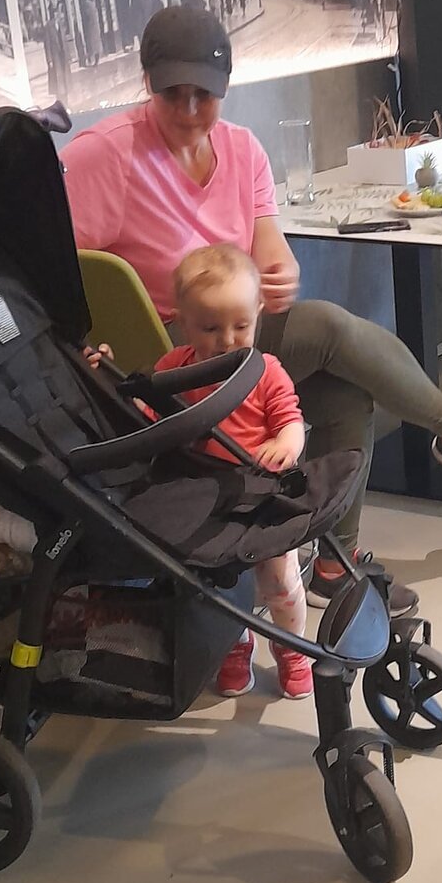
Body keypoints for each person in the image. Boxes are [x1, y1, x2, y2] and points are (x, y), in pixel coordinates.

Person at [61, 5, 442, 616]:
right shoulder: (104, 156)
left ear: (225, 87)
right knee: (327, 328)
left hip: (234, 339)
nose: (188, 110)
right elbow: (58, 273)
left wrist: (280, 269)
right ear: (147, 84)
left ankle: (334, 565)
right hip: (167, 355)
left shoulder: (242, 149)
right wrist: (88, 341)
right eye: (171, 95)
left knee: (345, 392)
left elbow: (270, 247)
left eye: (203, 95)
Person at [159, 243, 314, 700]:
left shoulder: (265, 371)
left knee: (280, 583)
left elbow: (290, 418)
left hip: (263, 496)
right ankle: (234, 646)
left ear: (258, 314)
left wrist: (285, 444)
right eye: (210, 328)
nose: (227, 340)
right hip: (204, 501)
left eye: (241, 326)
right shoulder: (173, 369)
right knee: (217, 586)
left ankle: (292, 649)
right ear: (182, 323)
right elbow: (147, 416)